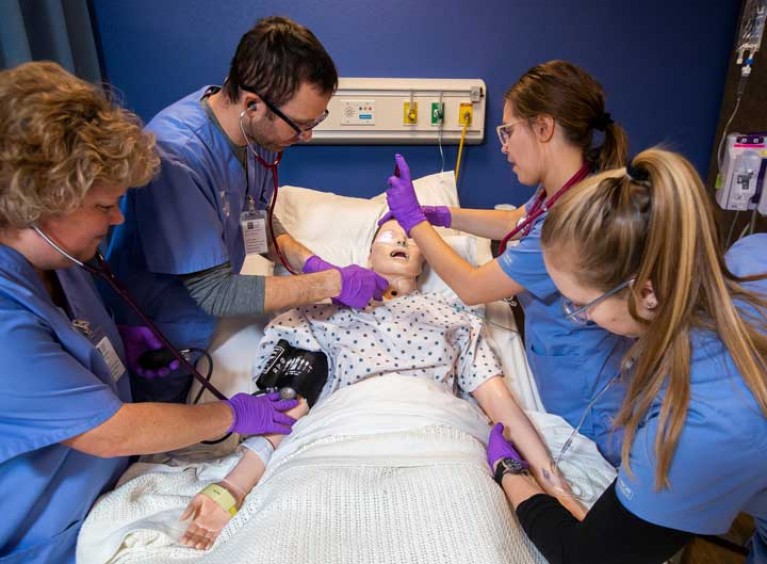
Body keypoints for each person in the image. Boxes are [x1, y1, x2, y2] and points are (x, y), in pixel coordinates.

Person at [0, 61, 303, 564]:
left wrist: (120, 346)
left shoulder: (63, 258)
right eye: (102, 207)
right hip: (38, 535)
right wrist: (231, 413)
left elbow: (78, 343)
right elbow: (110, 430)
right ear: (38, 204)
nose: (119, 218)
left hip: (110, 491)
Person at [179, 219, 587, 549]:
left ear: (424, 264)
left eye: (412, 239)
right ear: (367, 254)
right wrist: (232, 487)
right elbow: (289, 408)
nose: (402, 241)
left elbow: (498, 403)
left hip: (439, 443)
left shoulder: (455, 318)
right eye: (388, 235)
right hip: (336, 441)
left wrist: (556, 486)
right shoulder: (321, 313)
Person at [486, 148, 767, 563]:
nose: (578, 316)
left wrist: (508, 471)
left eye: (580, 304)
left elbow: (583, 556)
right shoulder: (752, 255)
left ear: (646, 292)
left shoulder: (695, 428)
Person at [104, 16, 387, 404]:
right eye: (301, 125)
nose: (308, 136)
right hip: (155, 330)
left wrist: (311, 263)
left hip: (195, 324)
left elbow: (256, 215)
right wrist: (331, 284)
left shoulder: (255, 134)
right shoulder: (177, 155)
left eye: (315, 121)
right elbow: (216, 293)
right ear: (253, 104)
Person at [383, 60, 633, 465]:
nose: (502, 145)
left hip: (589, 403)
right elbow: (515, 222)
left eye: (508, 131)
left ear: (544, 127)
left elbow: (473, 287)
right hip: (568, 381)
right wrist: (441, 215)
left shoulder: (567, 225)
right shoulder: (564, 191)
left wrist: (412, 222)